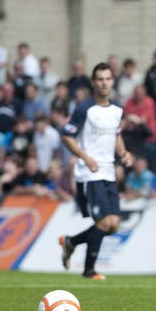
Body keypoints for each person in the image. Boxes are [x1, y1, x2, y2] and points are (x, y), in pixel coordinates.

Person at [58, 62, 133, 280]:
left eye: (108, 79)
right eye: (100, 79)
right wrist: (86, 158)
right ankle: (89, 271)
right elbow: (66, 135)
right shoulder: (85, 108)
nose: (104, 83)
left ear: (112, 81)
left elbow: (116, 135)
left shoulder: (117, 109)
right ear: (93, 82)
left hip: (108, 171)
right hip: (89, 172)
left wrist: (124, 152)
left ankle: (71, 242)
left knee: (114, 224)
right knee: (103, 222)